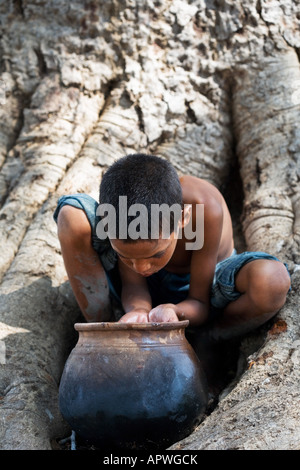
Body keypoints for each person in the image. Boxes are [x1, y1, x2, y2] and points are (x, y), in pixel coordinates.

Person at [54, 153, 291, 339]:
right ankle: (102, 332)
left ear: (182, 219)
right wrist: (138, 311)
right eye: (127, 257)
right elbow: (134, 284)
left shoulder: (202, 210)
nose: (141, 267)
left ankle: (209, 342)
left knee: (272, 280)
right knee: (72, 215)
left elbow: (199, 302)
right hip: (143, 292)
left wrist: (175, 311)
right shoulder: (124, 215)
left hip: (203, 290)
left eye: (155, 255)